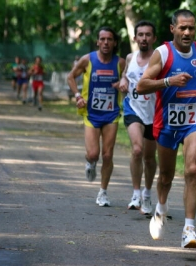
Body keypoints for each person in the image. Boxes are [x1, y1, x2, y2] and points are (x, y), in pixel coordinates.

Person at [137, 9, 196, 248]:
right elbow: (142, 85)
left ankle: (189, 229)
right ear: (172, 29)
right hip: (166, 123)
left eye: (192, 28)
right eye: (183, 28)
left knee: (192, 170)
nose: (187, 32)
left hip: (193, 120)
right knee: (166, 176)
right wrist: (168, 81)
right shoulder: (162, 53)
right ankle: (161, 209)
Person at [67, 26, 126, 207]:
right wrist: (78, 96)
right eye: (102, 39)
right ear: (97, 42)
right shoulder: (87, 60)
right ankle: (90, 162)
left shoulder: (121, 62)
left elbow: (128, 81)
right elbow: (71, 77)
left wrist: (123, 84)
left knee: (108, 155)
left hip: (111, 114)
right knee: (94, 153)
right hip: (91, 113)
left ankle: (103, 192)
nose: (106, 42)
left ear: (114, 42)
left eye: (109, 39)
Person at [118, 21, 157, 215]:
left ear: (153, 38)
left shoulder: (160, 59)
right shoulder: (130, 57)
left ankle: (147, 194)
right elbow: (125, 74)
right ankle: (135, 194)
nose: (144, 38)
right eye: (140, 34)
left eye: (148, 35)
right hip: (133, 108)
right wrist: (124, 79)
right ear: (135, 38)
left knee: (149, 158)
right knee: (137, 150)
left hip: (154, 113)